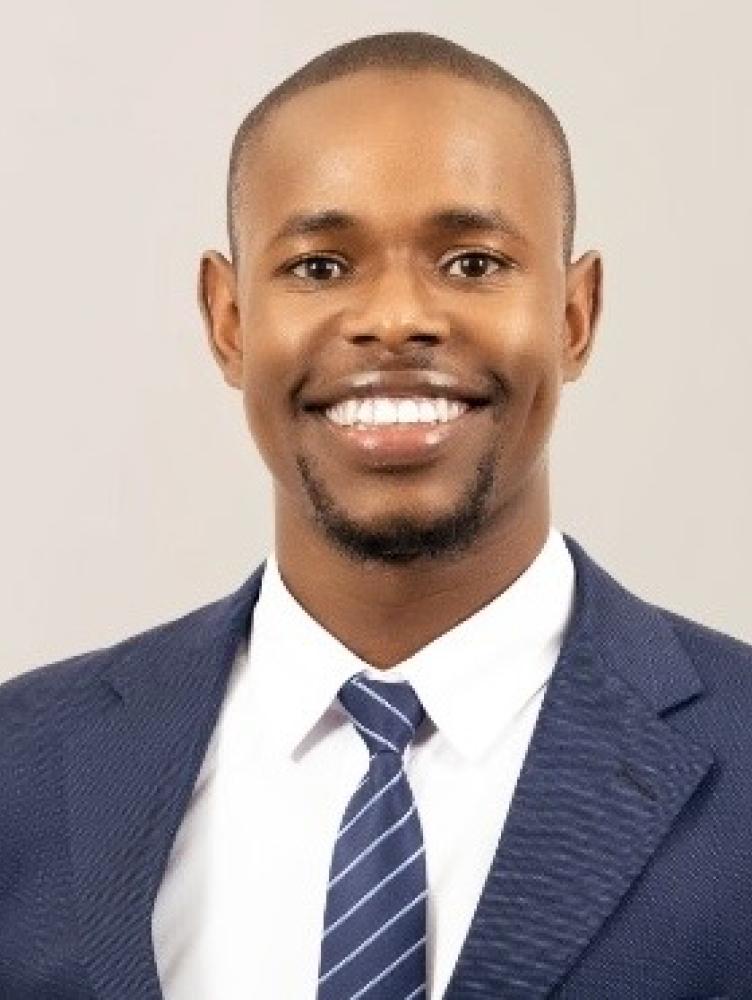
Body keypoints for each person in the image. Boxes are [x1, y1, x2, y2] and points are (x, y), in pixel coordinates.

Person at [1, 29, 750, 1000]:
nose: (395, 317)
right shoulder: (23, 768)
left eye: (472, 261)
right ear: (228, 322)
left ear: (574, 314)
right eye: (319, 266)